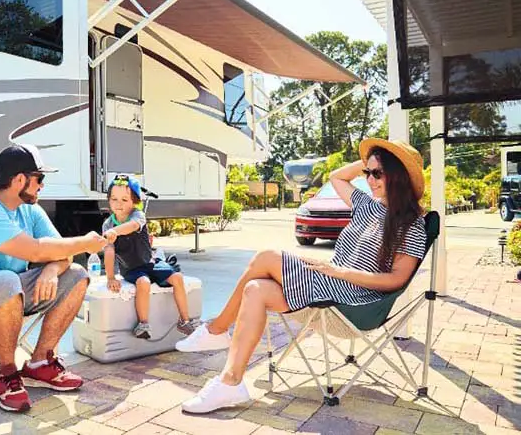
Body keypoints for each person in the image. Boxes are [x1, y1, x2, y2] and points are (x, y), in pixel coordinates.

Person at [176, 138, 428, 414]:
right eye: (367, 173)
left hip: (352, 302)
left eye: (377, 174)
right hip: (330, 283)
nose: (369, 180)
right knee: (256, 289)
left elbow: (396, 280)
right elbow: (337, 177)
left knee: (267, 257)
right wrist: (371, 160)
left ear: (399, 175)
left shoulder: (411, 225)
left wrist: (340, 272)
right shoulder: (371, 206)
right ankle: (231, 382)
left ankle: (216, 329)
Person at [0, 143, 107, 413]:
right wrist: (85, 242)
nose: (42, 186)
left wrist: (51, 269)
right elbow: (35, 250)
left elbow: (60, 252)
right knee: (5, 279)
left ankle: (39, 363)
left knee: (76, 274)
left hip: (9, 291)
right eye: (39, 179)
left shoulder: (30, 210)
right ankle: (6, 373)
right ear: (19, 180)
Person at [101, 174, 201, 339]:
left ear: (135, 202)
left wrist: (115, 232)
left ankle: (184, 320)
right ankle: (143, 324)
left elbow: (133, 226)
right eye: (114, 199)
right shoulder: (108, 224)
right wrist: (111, 277)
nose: (118, 204)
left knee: (177, 277)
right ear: (109, 200)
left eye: (125, 200)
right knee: (143, 282)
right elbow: (109, 251)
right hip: (131, 268)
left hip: (150, 262)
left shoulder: (137, 216)